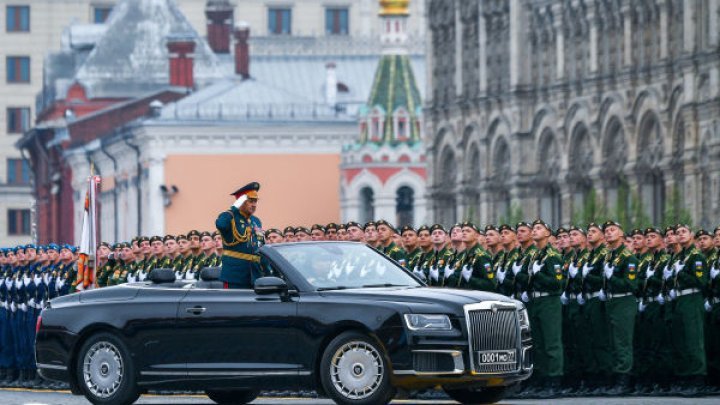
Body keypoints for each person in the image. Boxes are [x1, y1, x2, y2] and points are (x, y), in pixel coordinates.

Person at [600, 221, 639, 395]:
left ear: (621, 234)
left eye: (612, 230)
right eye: (606, 231)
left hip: (624, 302)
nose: (608, 233)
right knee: (612, 342)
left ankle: (625, 380)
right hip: (611, 301)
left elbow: (630, 285)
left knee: (622, 342)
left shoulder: (628, 257)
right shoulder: (609, 256)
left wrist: (612, 278)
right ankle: (615, 378)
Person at [667, 224, 707, 395]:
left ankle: (699, 379)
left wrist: (682, 274)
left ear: (691, 235)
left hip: (692, 298)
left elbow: (702, 282)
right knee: (682, 340)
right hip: (680, 298)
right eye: (677, 233)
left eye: (683, 232)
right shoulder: (680, 257)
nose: (680, 235)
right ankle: (688, 378)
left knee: (693, 340)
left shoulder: (695, 256)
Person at [216, 182, 264, 289]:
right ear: (240, 202)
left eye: (255, 201)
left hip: (255, 276)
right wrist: (234, 207)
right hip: (235, 276)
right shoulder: (229, 216)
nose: (254, 204)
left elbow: (261, 247)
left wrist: (268, 271)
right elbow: (221, 225)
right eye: (250, 201)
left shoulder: (256, 221)